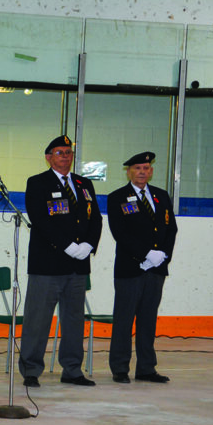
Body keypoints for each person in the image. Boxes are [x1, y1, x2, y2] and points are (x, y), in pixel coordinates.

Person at [18, 135, 102, 387]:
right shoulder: (38, 183)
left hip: (77, 265)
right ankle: (31, 370)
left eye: (68, 152)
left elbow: (94, 218)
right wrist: (66, 245)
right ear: (48, 157)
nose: (65, 156)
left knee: (74, 320)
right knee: (38, 319)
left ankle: (73, 370)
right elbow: (40, 219)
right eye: (59, 152)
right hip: (48, 264)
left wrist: (89, 244)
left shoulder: (84, 183)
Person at [107, 151, 177, 383]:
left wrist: (161, 257)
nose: (142, 172)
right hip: (130, 268)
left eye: (146, 168)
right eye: (137, 168)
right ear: (129, 172)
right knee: (124, 320)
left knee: (148, 320)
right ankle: (119, 368)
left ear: (151, 171)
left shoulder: (161, 196)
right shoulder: (117, 197)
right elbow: (120, 233)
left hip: (156, 269)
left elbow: (171, 229)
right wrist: (145, 255)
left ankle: (146, 368)